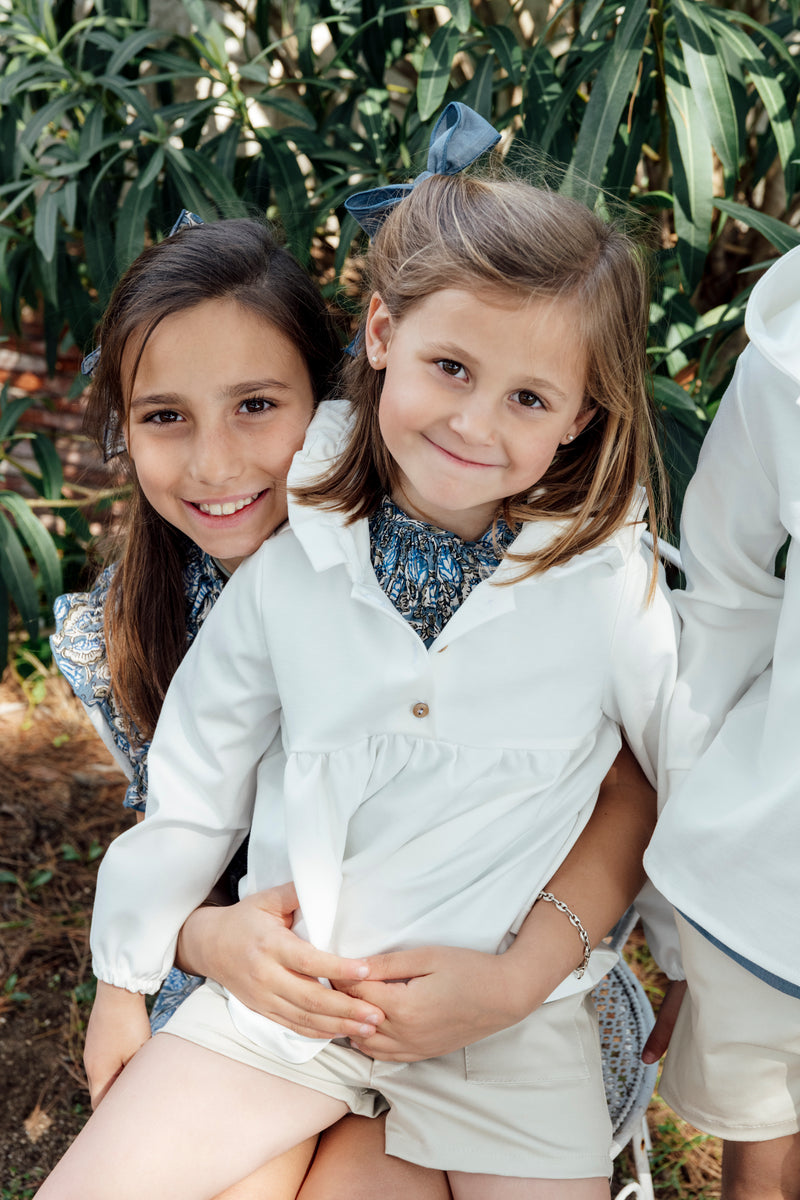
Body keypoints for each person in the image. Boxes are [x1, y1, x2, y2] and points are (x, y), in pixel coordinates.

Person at [39, 104, 679, 1200]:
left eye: (526, 397)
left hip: (507, 1024)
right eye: (450, 369)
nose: (475, 424)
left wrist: (695, 968)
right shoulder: (295, 571)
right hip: (292, 1001)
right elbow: (190, 787)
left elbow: (674, 767)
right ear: (379, 339)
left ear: (577, 418)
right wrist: (123, 979)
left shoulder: (604, 583)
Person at [644, 243, 800, 1200]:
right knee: (765, 1148)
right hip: (771, 867)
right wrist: (677, 924)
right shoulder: (789, 354)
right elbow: (725, 598)